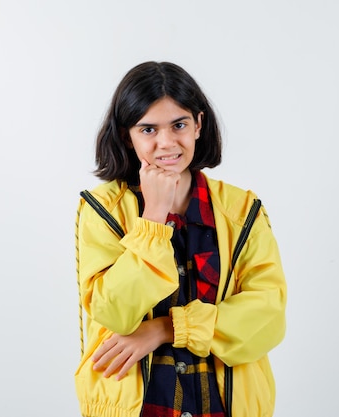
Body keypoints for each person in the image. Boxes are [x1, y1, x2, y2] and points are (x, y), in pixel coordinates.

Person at [74, 61, 287, 417]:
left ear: (198, 125)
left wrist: (166, 329)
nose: (166, 142)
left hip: (223, 407)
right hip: (138, 408)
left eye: (179, 125)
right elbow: (114, 313)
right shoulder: (102, 210)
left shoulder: (241, 210)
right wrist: (153, 218)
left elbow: (267, 316)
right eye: (148, 129)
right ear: (128, 135)